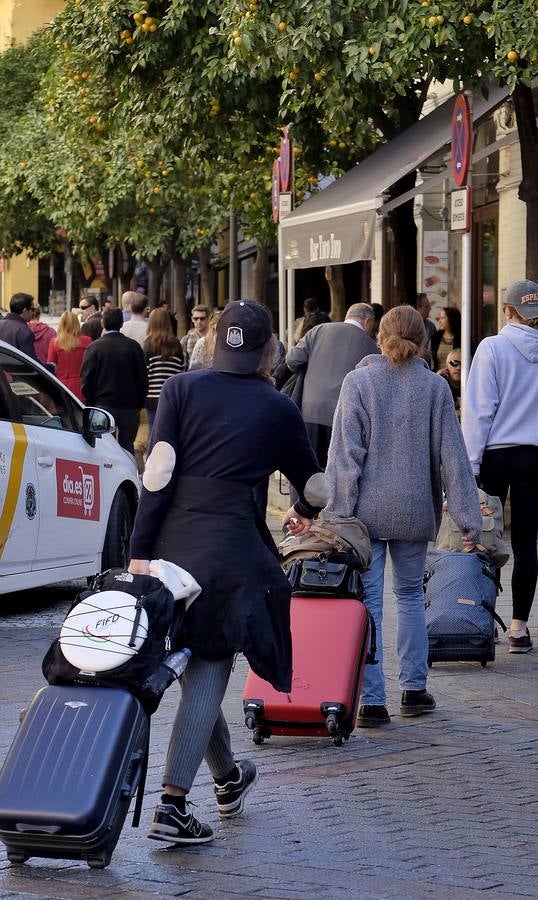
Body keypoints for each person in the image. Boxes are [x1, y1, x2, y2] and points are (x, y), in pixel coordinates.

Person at [126, 300, 328, 845]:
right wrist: (303, 516)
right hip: (232, 552)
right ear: (267, 351)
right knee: (211, 664)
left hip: (172, 548)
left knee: (194, 667)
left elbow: (158, 474)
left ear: (217, 342)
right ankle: (171, 806)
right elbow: (315, 486)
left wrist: (139, 553)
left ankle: (229, 776)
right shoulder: (277, 406)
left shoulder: (181, 390)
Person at [325, 305, 481, 727]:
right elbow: (453, 457)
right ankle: (414, 689)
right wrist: (470, 518)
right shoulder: (435, 387)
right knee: (411, 596)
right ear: (423, 341)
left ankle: (372, 701)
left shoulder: (359, 382)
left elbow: (345, 455)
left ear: (380, 337)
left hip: (367, 514)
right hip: (414, 510)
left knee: (369, 601)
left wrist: (336, 513)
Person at [462, 280, 538, 653]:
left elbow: (479, 412)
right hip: (535, 456)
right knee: (526, 542)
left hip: (496, 454)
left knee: (486, 539)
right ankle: (519, 627)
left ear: (507, 312)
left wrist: (470, 464)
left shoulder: (492, 348)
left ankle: (482, 621)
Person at [285, 302, 379, 466]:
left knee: (309, 472)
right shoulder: (371, 346)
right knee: (337, 475)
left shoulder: (319, 330)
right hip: (344, 418)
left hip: (310, 412)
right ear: (368, 321)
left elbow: (292, 360)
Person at [81, 307, 148, 454]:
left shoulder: (95, 347)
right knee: (127, 447)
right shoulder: (134, 347)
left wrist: (91, 402)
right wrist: (139, 403)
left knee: (105, 449)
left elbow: (87, 379)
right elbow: (143, 378)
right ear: (121, 323)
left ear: (103, 323)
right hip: (130, 407)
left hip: (103, 406)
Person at [143, 307, 185, 431]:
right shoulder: (176, 344)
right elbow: (181, 369)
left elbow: (146, 372)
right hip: (173, 395)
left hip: (152, 397)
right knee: (171, 430)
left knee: (153, 430)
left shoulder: (148, 345)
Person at [47, 311, 92, 401]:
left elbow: (51, 365)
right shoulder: (87, 341)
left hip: (62, 385)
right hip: (82, 385)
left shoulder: (55, 343)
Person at [0, 293, 38, 359]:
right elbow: (30, 362)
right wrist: (50, 367)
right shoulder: (25, 332)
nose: (33, 313)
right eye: (33, 309)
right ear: (25, 310)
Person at [431, 306, 461, 371]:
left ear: (451, 319)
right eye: (439, 318)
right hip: (439, 377)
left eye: (442, 318)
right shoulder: (436, 337)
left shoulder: (462, 338)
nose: (439, 321)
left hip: (457, 377)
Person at [438, 348, 461, 415]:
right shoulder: (440, 384)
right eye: (454, 363)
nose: (458, 368)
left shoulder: (473, 387)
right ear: (446, 365)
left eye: (463, 364)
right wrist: (436, 379)